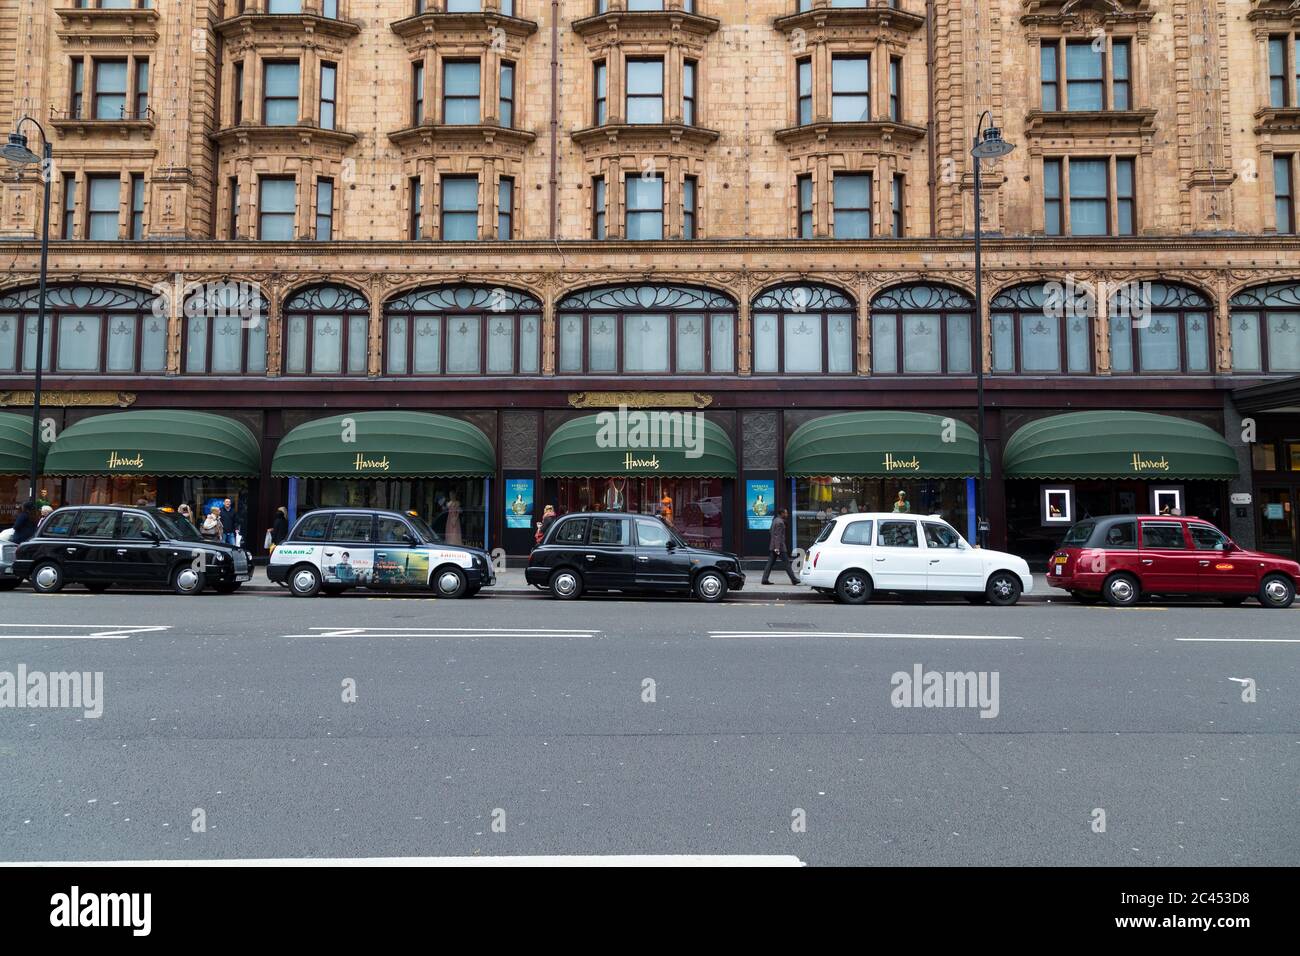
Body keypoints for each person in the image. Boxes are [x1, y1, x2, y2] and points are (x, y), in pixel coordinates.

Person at [762, 508, 799, 586]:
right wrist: (777, 548)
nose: (787, 515)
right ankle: (794, 579)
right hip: (779, 547)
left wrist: (774, 545)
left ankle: (764, 579)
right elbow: (777, 536)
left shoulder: (775, 520)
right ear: (781, 513)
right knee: (787, 563)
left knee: (770, 563)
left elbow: (771, 532)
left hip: (774, 546)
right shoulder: (780, 522)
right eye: (786, 513)